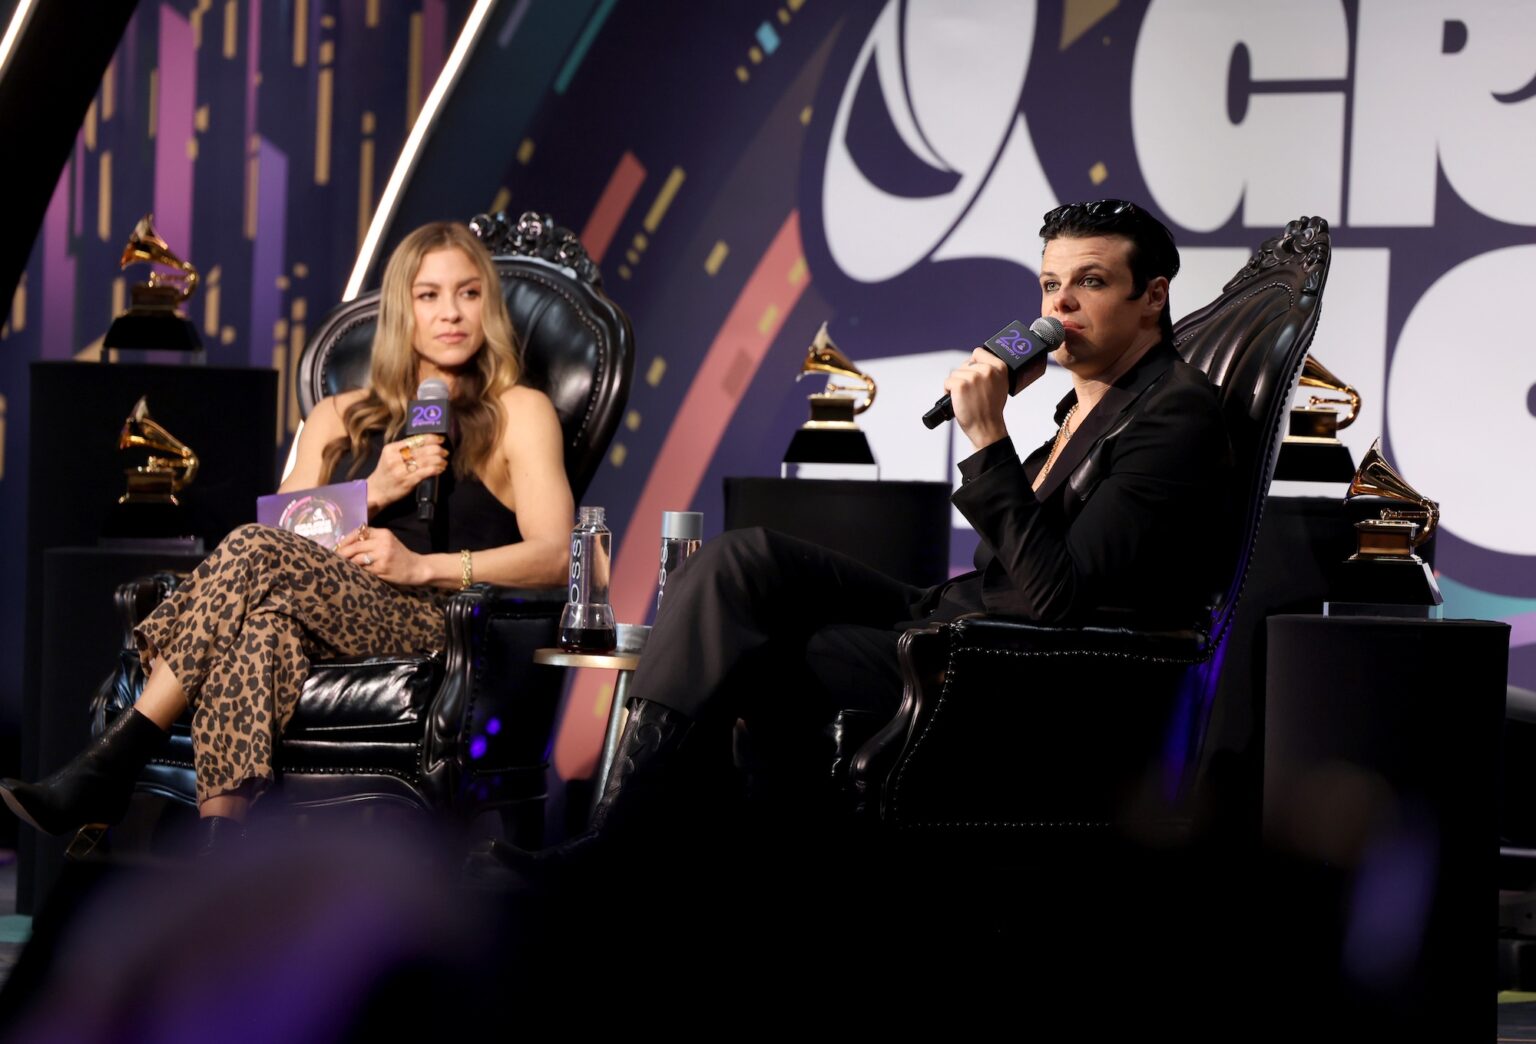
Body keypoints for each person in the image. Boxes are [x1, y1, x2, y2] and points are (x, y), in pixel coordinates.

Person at [488, 198, 1234, 874]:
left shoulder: (1176, 415)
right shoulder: (1085, 408)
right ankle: (625, 840)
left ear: (1153, 297)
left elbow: (1058, 600)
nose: (1061, 303)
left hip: (1009, 668)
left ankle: (625, 862)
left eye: (1091, 282)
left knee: (760, 654)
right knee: (739, 560)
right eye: (1048, 284)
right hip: (954, 614)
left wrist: (986, 437)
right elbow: (1012, 558)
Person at [0, 221, 573, 849]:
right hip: (323, 608)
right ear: (400, 309)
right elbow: (281, 537)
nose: (451, 313)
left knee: (249, 549)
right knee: (262, 625)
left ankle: (114, 756)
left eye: (468, 293)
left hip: (436, 618)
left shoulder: (519, 410)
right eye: (428, 295)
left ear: (486, 304)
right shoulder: (338, 415)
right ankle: (221, 855)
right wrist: (371, 493)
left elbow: (554, 555)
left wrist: (424, 568)